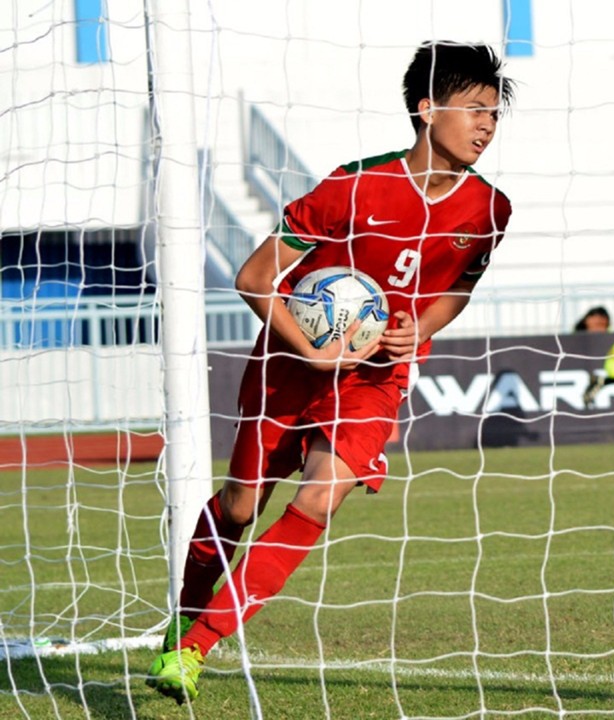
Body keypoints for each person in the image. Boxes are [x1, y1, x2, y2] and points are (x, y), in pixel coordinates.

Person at [144, 41, 514, 704]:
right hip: (291, 366)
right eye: (476, 108)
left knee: (318, 498)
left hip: (375, 379)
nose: (488, 124)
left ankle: (197, 648)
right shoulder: (353, 185)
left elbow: (458, 287)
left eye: (496, 113)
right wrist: (310, 348)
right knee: (240, 506)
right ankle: (182, 623)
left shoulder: (490, 210)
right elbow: (255, 278)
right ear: (427, 110)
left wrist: (418, 327)